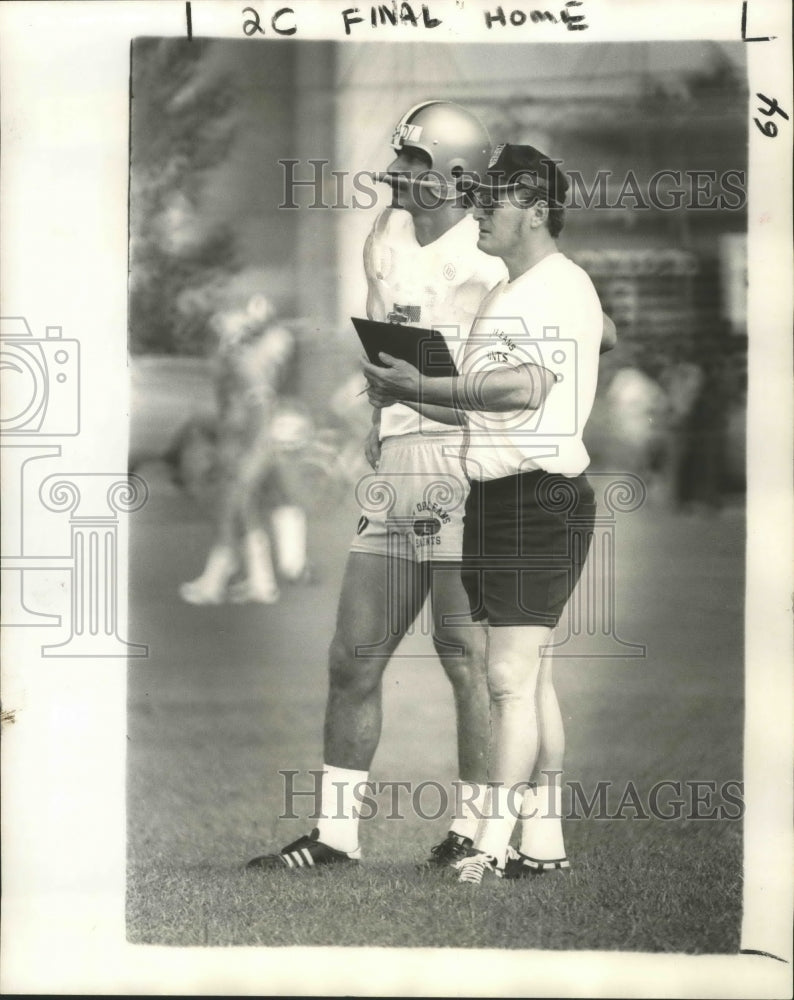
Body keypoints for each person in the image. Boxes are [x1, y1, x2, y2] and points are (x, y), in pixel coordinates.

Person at [246, 101, 507, 870]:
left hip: (467, 462)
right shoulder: (387, 236)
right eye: (398, 158)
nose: (394, 173)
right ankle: (335, 835)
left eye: (413, 163)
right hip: (398, 462)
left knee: (467, 658)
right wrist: (378, 409)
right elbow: (383, 347)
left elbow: (513, 382)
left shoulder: (490, 257)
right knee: (352, 654)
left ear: (457, 175)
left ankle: (474, 833)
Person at [363, 144, 604, 884]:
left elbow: (521, 390)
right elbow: (483, 397)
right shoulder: (515, 287)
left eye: (491, 201)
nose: (476, 211)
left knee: (506, 677)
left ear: (535, 209)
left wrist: (428, 387)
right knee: (530, 681)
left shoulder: (557, 287)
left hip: (540, 498)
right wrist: (405, 391)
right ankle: (544, 841)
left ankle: (491, 844)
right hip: (499, 494)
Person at [180, 294, 309, 605]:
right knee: (242, 507)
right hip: (242, 442)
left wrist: (251, 450)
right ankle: (261, 583)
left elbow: (259, 408)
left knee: (232, 506)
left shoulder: (243, 365)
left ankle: (218, 579)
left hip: (252, 443)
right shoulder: (234, 365)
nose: (216, 344)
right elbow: (231, 410)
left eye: (221, 336)